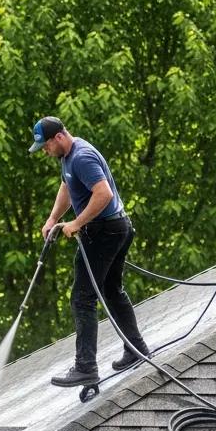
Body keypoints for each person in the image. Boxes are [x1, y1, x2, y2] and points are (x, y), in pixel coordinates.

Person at [30, 116, 150, 387]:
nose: (45, 152)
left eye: (46, 146)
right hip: (116, 228)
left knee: (82, 298)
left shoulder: (82, 156)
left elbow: (103, 194)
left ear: (58, 138)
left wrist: (76, 223)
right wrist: (52, 219)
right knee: (111, 290)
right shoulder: (68, 158)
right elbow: (68, 187)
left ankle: (85, 367)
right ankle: (136, 349)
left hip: (105, 231)